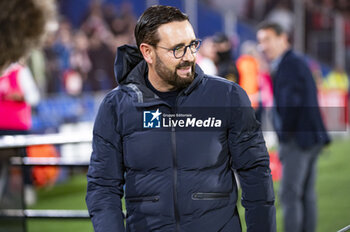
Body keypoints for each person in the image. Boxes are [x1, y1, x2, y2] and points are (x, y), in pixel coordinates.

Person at [86, 5, 276, 232]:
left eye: (192, 45)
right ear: (147, 52)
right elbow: (103, 186)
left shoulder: (228, 97)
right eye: (177, 49)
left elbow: (255, 174)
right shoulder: (115, 106)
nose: (189, 57)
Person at [257, 22, 330, 232]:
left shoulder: (289, 64)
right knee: (306, 194)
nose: (263, 46)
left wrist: (284, 136)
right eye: (261, 41)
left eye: (267, 39)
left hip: (298, 139)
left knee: (290, 195)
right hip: (309, 136)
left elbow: (290, 105)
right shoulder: (294, 61)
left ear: (283, 38)